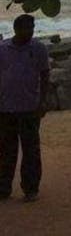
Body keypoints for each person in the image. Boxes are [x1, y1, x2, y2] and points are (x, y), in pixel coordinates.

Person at [0, 14, 50, 203]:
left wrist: (43, 101)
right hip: (5, 108)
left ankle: (30, 189)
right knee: (6, 150)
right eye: (25, 29)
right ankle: (3, 188)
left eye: (31, 28)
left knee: (31, 150)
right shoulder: (2, 49)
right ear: (15, 29)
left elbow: (45, 75)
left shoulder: (38, 49)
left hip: (30, 107)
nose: (29, 32)